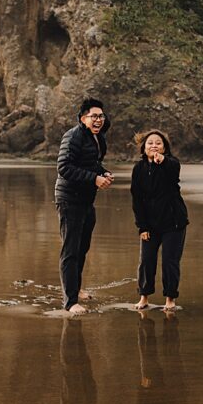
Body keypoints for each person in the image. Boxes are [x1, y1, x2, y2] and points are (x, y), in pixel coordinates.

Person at [55, 98, 113, 314]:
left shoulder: (98, 138)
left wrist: (102, 172)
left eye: (101, 116)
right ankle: (70, 302)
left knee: (82, 247)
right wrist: (94, 179)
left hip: (87, 199)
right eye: (93, 116)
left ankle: (76, 289)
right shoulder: (73, 136)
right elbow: (64, 167)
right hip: (69, 199)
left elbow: (92, 164)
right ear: (83, 118)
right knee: (70, 250)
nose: (98, 120)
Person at [130, 130, 189, 311]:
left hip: (174, 222)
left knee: (170, 261)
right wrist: (142, 227)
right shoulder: (138, 169)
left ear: (164, 147)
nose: (154, 146)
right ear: (143, 147)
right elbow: (136, 199)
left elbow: (173, 171)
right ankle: (144, 297)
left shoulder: (171, 163)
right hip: (150, 224)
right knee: (146, 261)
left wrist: (163, 162)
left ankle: (170, 299)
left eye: (158, 143)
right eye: (150, 143)